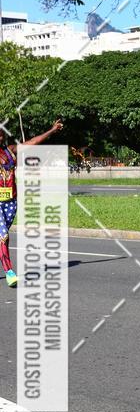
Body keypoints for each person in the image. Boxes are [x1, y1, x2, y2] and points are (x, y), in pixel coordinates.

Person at [0, 119, 64, 288]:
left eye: (0, 134)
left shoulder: (10, 152)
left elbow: (32, 142)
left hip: (11, 202)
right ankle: (10, 273)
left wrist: (51, 131)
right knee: (3, 235)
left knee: (3, 237)